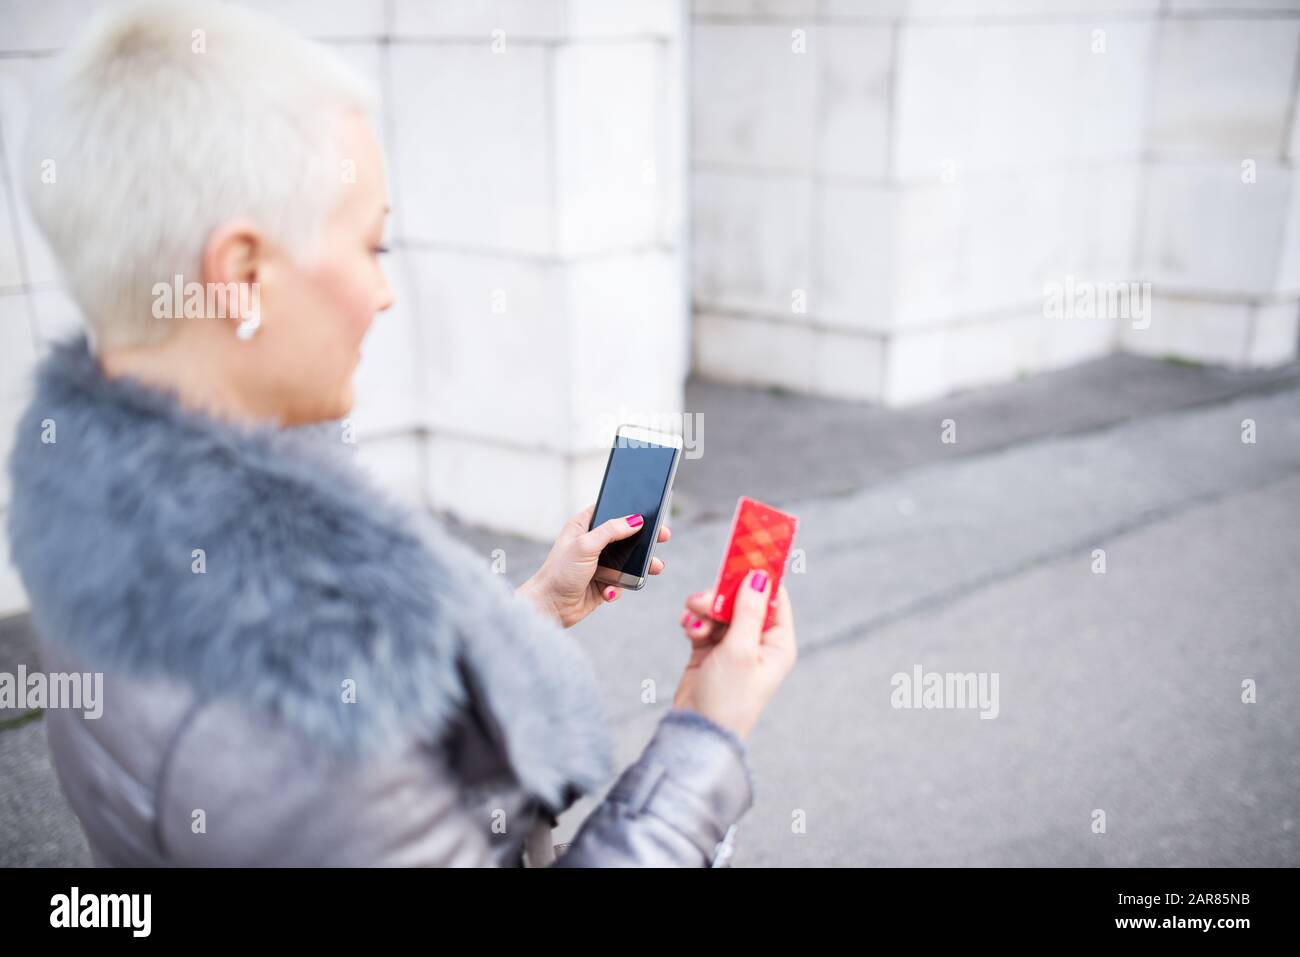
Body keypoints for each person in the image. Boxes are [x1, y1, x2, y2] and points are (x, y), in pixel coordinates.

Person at [6, 0, 797, 866]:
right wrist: (703, 736)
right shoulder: (301, 716)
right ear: (240, 274)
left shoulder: (94, 502)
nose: (383, 294)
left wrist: (532, 608)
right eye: (372, 247)